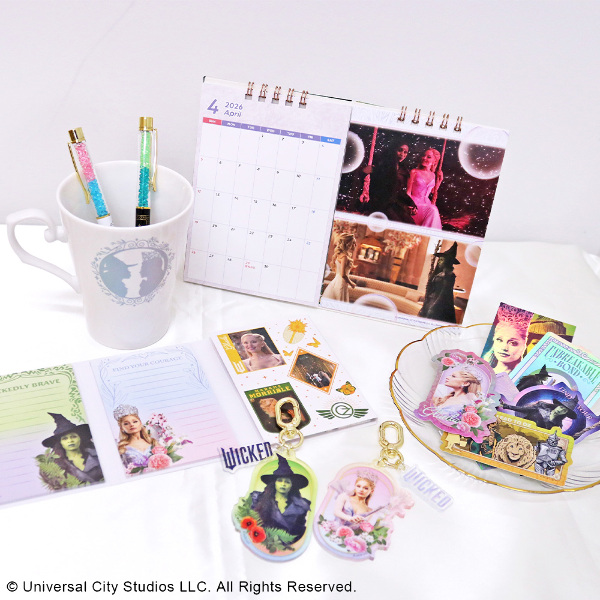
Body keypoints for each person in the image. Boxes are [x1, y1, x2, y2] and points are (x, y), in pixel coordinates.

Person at [250, 454, 311, 542]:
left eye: (287, 482)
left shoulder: (301, 506)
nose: (283, 484)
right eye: (280, 481)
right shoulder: (258, 499)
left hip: (289, 543)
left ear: (292, 486)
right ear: (274, 483)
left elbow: (300, 530)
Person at [37, 413, 104, 489]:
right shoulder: (55, 466)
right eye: (65, 438)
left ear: (80, 438)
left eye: (73, 436)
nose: (70, 440)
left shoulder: (99, 454)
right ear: (60, 443)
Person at [418, 242, 460, 323]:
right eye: (440, 259)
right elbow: (431, 288)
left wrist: (433, 307)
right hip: (430, 301)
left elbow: (443, 293)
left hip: (439, 305)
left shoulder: (450, 276)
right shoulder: (438, 274)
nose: (440, 261)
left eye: (442, 259)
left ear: (447, 261)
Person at [406, 148, 443, 229]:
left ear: (435, 161)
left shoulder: (433, 175)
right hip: (415, 204)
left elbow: (433, 191)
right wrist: (409, 205)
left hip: (427, 204)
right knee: (433, 210)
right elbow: (408, 191)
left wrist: (440, 180)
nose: (424, 158)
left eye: (428, 157)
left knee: (433, 210)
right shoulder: (414, 172)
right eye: (423, 155)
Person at [113, 404, 158, 469]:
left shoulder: (152, 442)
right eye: (126, 423)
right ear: (122, 428)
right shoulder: (121, 448)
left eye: (135, 421)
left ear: (140, 423)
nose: (131, 425)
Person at [322, 233, 356, 302]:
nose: (355, 245)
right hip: (341, 283)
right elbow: (343, 274)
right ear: (348, 244)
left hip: (337, 281)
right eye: (353, 243)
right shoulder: (344, 257)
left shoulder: (340, 255)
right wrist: (351, 283)